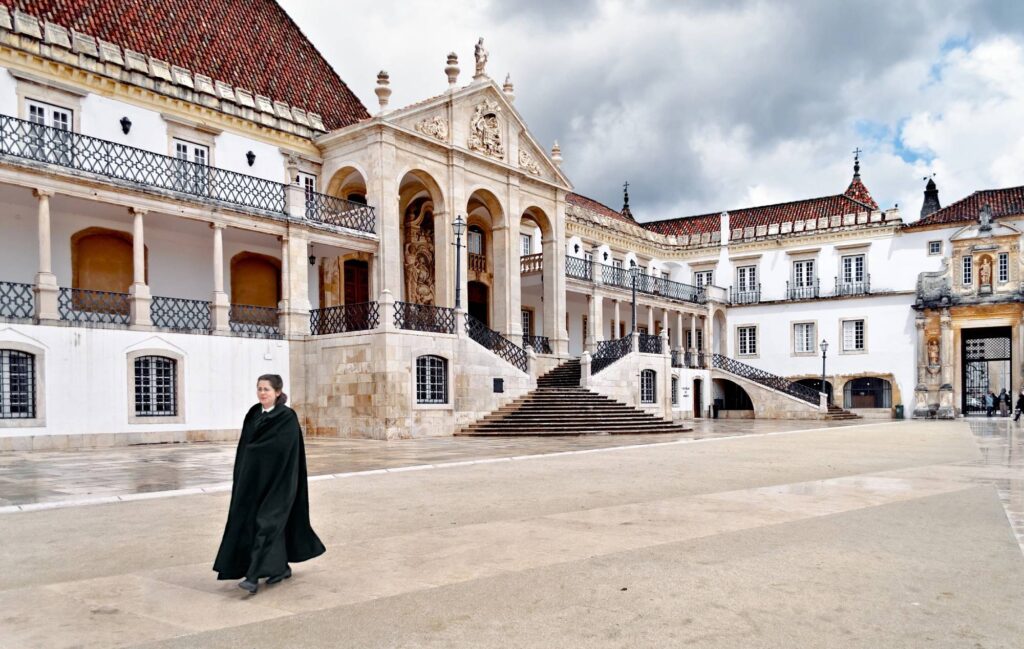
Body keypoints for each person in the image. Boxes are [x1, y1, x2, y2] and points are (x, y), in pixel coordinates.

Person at [213, 374, 325, 595]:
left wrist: (257, 452)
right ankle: (280, 568)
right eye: (259, 389)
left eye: (266, 389)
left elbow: (282, 450)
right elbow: (245, 447)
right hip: (254, 482)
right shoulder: (254, 413)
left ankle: (252, 577)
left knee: (267, 523)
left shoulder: (286, 417)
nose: (262, 393)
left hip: (280, 482)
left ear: (277, 392)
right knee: (253, 523)